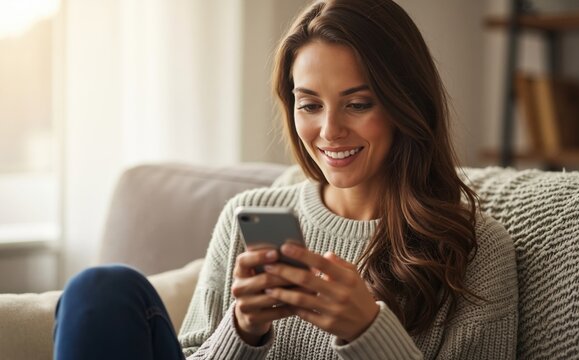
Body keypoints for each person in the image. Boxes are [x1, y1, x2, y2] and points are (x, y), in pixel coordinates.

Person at [53, 0, 518, 359]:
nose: (329, 131)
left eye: (358, 104)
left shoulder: (475, 246)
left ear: (406, 106)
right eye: (310, 104)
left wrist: (368, 333)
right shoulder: (247, 215)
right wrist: (242, 329)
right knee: (101, 291)